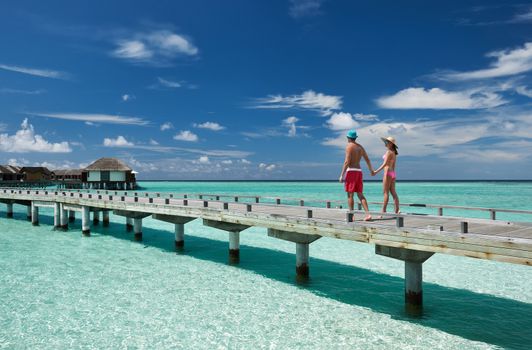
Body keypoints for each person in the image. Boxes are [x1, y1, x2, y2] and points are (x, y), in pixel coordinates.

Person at [338, 129, 374, 221]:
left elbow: (347, 162)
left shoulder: (349, 146)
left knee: (350, 195)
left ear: (348, 138)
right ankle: (368, 214)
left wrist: (342, 175)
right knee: (360, 194)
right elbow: (368, 160)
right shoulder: (360, 147)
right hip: (359, 171)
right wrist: (371, 170)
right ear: (355, 138)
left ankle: (351, 216)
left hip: (351, 172)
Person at [372, 136, 400, 215]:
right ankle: (397, 210)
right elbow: (394, 165)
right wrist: (393, 175)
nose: (385, 143)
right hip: (392, 173)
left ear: (391, 144)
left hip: (387, 172)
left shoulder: (389, 152)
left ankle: (383, 211)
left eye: (387, 142)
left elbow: (384, 164)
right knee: (393, 192)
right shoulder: (394, 153)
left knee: (385, 192)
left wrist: (376, 171)